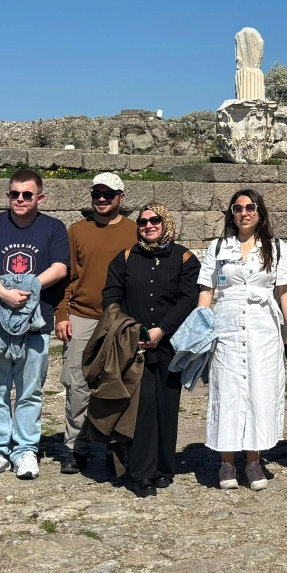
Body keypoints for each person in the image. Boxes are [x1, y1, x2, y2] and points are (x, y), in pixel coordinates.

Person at [0, 169, 71, 482]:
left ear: (39, 197)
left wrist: (29, 288)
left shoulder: (53, 228)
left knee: (30, 391)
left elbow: (60, 267)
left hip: (35, 322)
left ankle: (26, 448)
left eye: (27, 194)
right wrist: (2, 291)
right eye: (14, 193)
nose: (20, 199)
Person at [197, 189, 287, 491]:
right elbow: (206, 290)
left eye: (250, 207)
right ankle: (227, 462)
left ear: (260, 212)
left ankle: (254, 461)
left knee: (259, 389)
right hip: (227, 326)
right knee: (227, 389)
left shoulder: (276, 249)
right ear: (231, 213)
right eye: (238, 207)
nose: (244, 212)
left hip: (262, 328)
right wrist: (201, 326)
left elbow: (286, 291)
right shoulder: (217, 248)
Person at [100, 203, 199, 496]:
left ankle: (164, 468)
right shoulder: (126, 258)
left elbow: (188, 297)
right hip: (134, 345)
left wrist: (162, 329)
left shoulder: (184, 258)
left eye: (155, 220)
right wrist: (129, 328)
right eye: (142, 222)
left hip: (171, 345)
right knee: (141, 408)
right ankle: (141, 472)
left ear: (165, 221)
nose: (148, 225)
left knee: (167, 406)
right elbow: (111, 295)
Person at [53, 173, 138, 474]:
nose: (101, 200)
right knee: (77, 383)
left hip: (120, 318)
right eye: (97, 194)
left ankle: (118, 446)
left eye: (108, 195)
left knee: (120, 383)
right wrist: (62, 314)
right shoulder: (77, 230)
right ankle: (76, 447)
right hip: (82, 315)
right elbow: (67, 276)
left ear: (121, 198)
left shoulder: (135, 231)